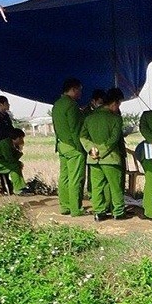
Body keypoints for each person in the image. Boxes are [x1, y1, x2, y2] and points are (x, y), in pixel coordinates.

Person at [80, 88, 127, 221]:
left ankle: (99, 212)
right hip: (111, 158)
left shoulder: (89, 117)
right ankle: (118, 212)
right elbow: (113, 139)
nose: (118, 107)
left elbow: (82, 136)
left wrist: (92, 150)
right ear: (114, 103)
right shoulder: (116, 119)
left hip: (93, 159)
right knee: (115, 186)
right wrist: (102, 151)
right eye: (118, 104)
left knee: (97, 187)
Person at [52, 78, 86, 216]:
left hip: (61, 145)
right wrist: (81, 148)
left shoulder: (57, 104)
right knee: (76, 178)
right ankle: (76, 209)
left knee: (64, 177)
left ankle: (64, 206)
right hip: (73, 147)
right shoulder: (72, 105)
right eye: (79, 90)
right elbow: (75, 129)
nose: (80, 94)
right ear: (73, 89)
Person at [0, 128, 31, 195]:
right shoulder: (6, 144)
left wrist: (19, 150)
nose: (22, 140)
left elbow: (12, 159)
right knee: (14, 166)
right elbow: (10, 159)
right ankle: (18, 189)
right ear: (17, 138)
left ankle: (21, 187)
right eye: (21, 138)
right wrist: (19, 153)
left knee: (16, 165)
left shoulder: (9, 143)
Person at [0, 95, 15, 194]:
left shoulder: (6, 116)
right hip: (2, 144)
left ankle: (12, 186)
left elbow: (11, 128)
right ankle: (6, 187)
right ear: (1, 104)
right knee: (4, 166)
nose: (8, 105)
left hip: (9, 143)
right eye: (6, 103)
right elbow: (1, 132)